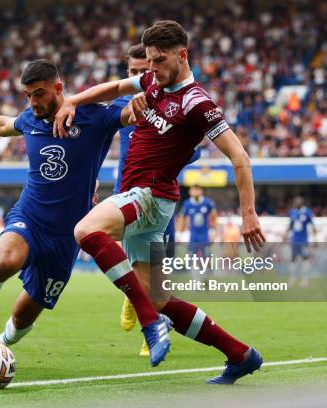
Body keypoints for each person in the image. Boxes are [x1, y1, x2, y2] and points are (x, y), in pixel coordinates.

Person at [54, 20, 265, 383]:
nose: (151, 69)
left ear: (182, 56)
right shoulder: (154, 80)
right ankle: (241, 355)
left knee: (85, 230)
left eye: (159, 61)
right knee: (161, 298)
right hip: (142, 195)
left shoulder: (197, 103)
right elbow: (118, 86)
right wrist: (73, 99)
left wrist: (249, 214)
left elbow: (240, 158)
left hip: (151, 195)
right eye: (148, 61)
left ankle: (150, 324)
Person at [0, 60, 171, 366]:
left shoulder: (93, 117)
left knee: (23, 315)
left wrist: (141, 102)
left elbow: (126, 114)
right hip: (30, 216)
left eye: (39, 94)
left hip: (68, 236)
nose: (33, 102)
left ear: (58, 88)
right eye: (28, 95)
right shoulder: (30, 118)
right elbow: (4, 124)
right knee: (6, 261)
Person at [116, 44, 202, 358]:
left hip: (156, 194)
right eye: (134, 72)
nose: (140, 76)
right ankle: (133, 297)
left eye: (144, 70)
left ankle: (150, 329)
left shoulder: (169, 104)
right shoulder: (123, 107)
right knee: (110, 248)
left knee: (155, 272)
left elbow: (194, 148)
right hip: (124, 187)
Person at [180, 184, 217, 257]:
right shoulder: (187, 204)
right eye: (193, 189)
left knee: (206, 256)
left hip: (205, 234)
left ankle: (208, 268)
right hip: (193, 235)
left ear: (201, 191)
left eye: (197, 189)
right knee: (190, 256)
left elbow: (214, 217)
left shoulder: (208, 202)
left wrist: (214, 231)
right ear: (190, 191)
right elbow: (182, 217)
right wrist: (180, 232)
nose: (195, 191)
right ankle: (190, 268)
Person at [287, 196, 316, 286]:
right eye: (295, 202)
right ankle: (292, 279)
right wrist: (286, 233)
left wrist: (315, 238)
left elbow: (312, 224)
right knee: (293, 258)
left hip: (303, 239)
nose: (296, 204)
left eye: (298, 202)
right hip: (294, 239)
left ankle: (304, 280)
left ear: (302, 203)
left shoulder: (307, 212)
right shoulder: (292, 211)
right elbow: (291, 224)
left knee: (304, 259)